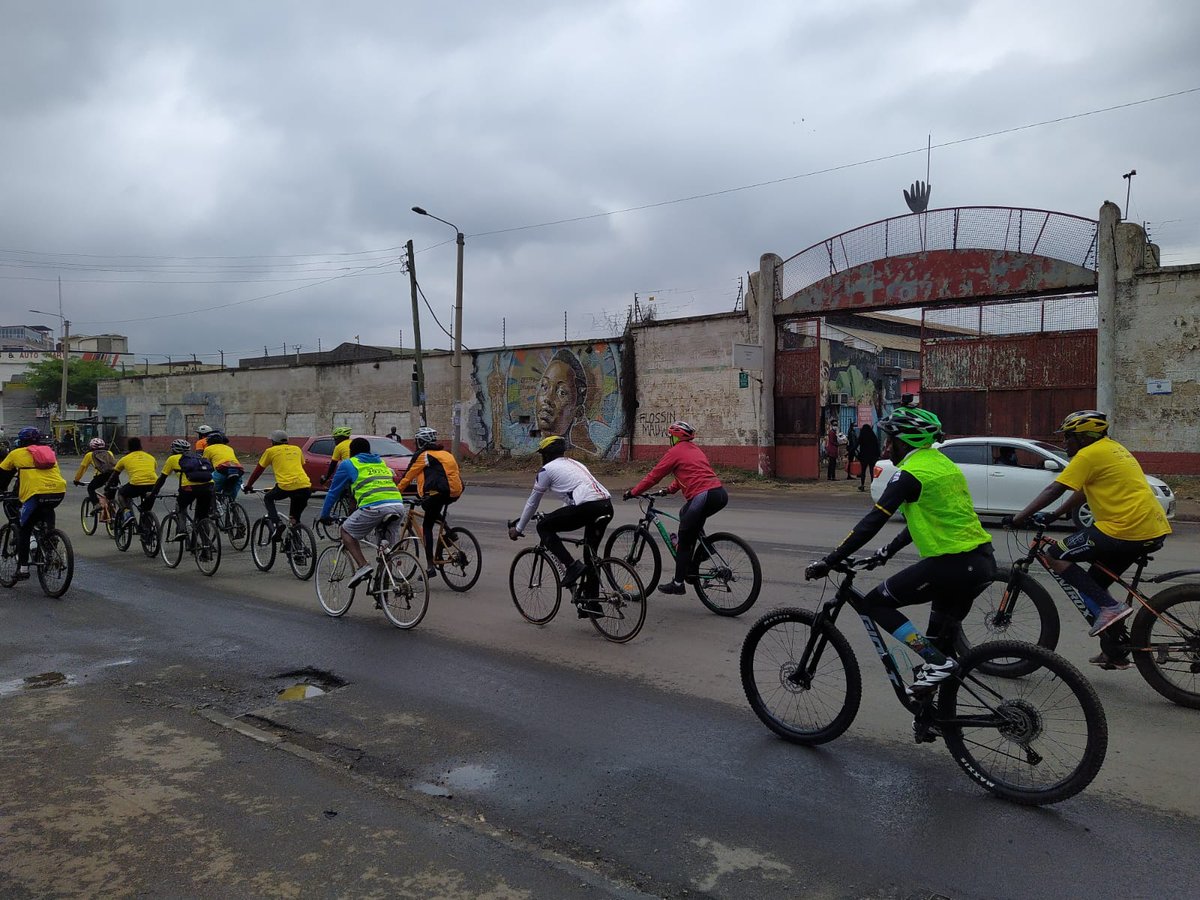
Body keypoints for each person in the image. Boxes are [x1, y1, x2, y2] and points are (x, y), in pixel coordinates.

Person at [805, 407, 996, 696]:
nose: (886, 447)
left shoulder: (910, 473)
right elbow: (928, 520)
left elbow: (872, 522)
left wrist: (831, 560)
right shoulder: (943, 465)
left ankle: (937, 664)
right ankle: (934, 718)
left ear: (905, 441)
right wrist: (886, 552)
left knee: (874, 604)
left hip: (952, 565)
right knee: (937, 649)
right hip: (981, 561)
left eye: (890, 441)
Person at [1008, 410, 1172, 669]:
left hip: (1123, 529)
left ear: (1084, 438)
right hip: (1149, 527)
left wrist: (1020, 517)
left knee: (1055, 555)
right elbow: (1084, 492)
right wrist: (1053, 515)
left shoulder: (1088, 454)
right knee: (1093, 584)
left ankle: (1110, 607)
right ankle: (1114, 650)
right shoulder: (1113, 449)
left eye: (1069, 437)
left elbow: (1055, 488)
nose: (1065, 443)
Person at [508, 435, 613, 613]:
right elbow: (573, 497)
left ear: (546, 455)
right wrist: (554, 515)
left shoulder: (546, 470)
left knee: (543, 527)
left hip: (586, 507)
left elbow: (532, 503)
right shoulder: (575, 464)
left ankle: (572, 566)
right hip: (605, 505)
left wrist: (518, 529)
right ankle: (592, 603)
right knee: (591, 556)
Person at [624, 420, 727, 596]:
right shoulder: (695, 450)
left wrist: (634, 492)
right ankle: (705, 551)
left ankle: (678, 583)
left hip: (702, 496)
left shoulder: (675, 452)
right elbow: (689, 475)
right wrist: (668, 490)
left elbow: (654, 476)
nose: (669, 439)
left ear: (675, 437)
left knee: (685, 542)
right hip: (719, 494)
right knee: (685, 514)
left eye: (670, 436)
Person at [318, 436, 407, 589]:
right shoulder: (380, 462)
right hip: (398, 506)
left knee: (345, 530)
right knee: (387, 553)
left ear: (352, 452)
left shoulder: (348, 463)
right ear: (368, 451)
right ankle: (383, 592)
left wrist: (325, 515)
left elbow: (333, 492)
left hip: (374, 507)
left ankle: (363, 566)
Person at [0, 427, 67, 581]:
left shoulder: (16, 454)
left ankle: (23, 569)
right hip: (58, 491)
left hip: (35, 494)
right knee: (46, 510)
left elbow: (3, 476)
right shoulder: (48, 451)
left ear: (21, 441)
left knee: (24, 529)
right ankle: (51, 540)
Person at [396, 426, 463, 577]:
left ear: (421, 441)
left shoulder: (424, 455)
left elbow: (408, 476)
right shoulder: (445, 453)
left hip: (439, 493)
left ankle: (430, 566)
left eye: (416, 441)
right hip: (454, 492)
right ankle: (449, 532)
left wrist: (395, 492)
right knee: (429, 507)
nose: (415, 443)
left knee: (427, 526)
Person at [243, 430, 311, 539]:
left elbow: (258, 471)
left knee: (268, 498)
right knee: (295, 519)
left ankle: (277, 523)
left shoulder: (270, 451)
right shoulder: (297, 449)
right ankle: (298, 547)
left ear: (273, 441)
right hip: (305, 486)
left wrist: (249, 485)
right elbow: (302, 466)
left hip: (286, 486)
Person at [149, 438, 215, 542]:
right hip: (208, 486)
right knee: (203, 517)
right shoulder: (198, 457)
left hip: (189, 488)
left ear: (174, 450)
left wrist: (153, 493)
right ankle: (206, 547)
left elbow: (161, 479)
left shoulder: (172, 459)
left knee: (180, 506)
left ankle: (182, 529)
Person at [104, 437, 159, 524]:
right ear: (141, 446)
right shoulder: (151, 457)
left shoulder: (125, 459)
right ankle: (147, 528)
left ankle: (127, 513)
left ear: (129, 447)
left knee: (121, 493)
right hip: (154, 485)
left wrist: (107, 486)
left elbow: (114, 475)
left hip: (136, 485)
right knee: (146, 508)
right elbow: (152, 470)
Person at [535, 350, 586, 437]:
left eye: (562, 392)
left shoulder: (579, 451)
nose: (548, 398)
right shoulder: (518, 450)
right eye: (544, 386)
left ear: (578, 412)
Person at [73, 437, 117, 511]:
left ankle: (96, 504)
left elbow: (82, 469)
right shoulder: (109, 453)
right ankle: (114, 514)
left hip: (102, 476)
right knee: (110, 495)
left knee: (90, 488)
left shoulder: (89, 455)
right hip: (114, 475)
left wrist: (76, 480)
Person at [202, 431, 244, 501]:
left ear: (209, 442)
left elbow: (205, 464)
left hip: (222, 469)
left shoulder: (208, 449)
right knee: (234, 488)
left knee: (211, 491)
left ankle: (214, 507)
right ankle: (232, 505)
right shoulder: (229, 448)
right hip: (238, 470)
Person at [857, 423, 881, 492]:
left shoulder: (862, 436)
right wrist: (878, 455)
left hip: (863, 457)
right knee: (871, 472)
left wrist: (851, 451)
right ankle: (872, 485)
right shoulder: (873, 436)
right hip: (872, 457)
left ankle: (862, 485)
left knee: (863, 472)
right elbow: (877, 446)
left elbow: (856, 444)